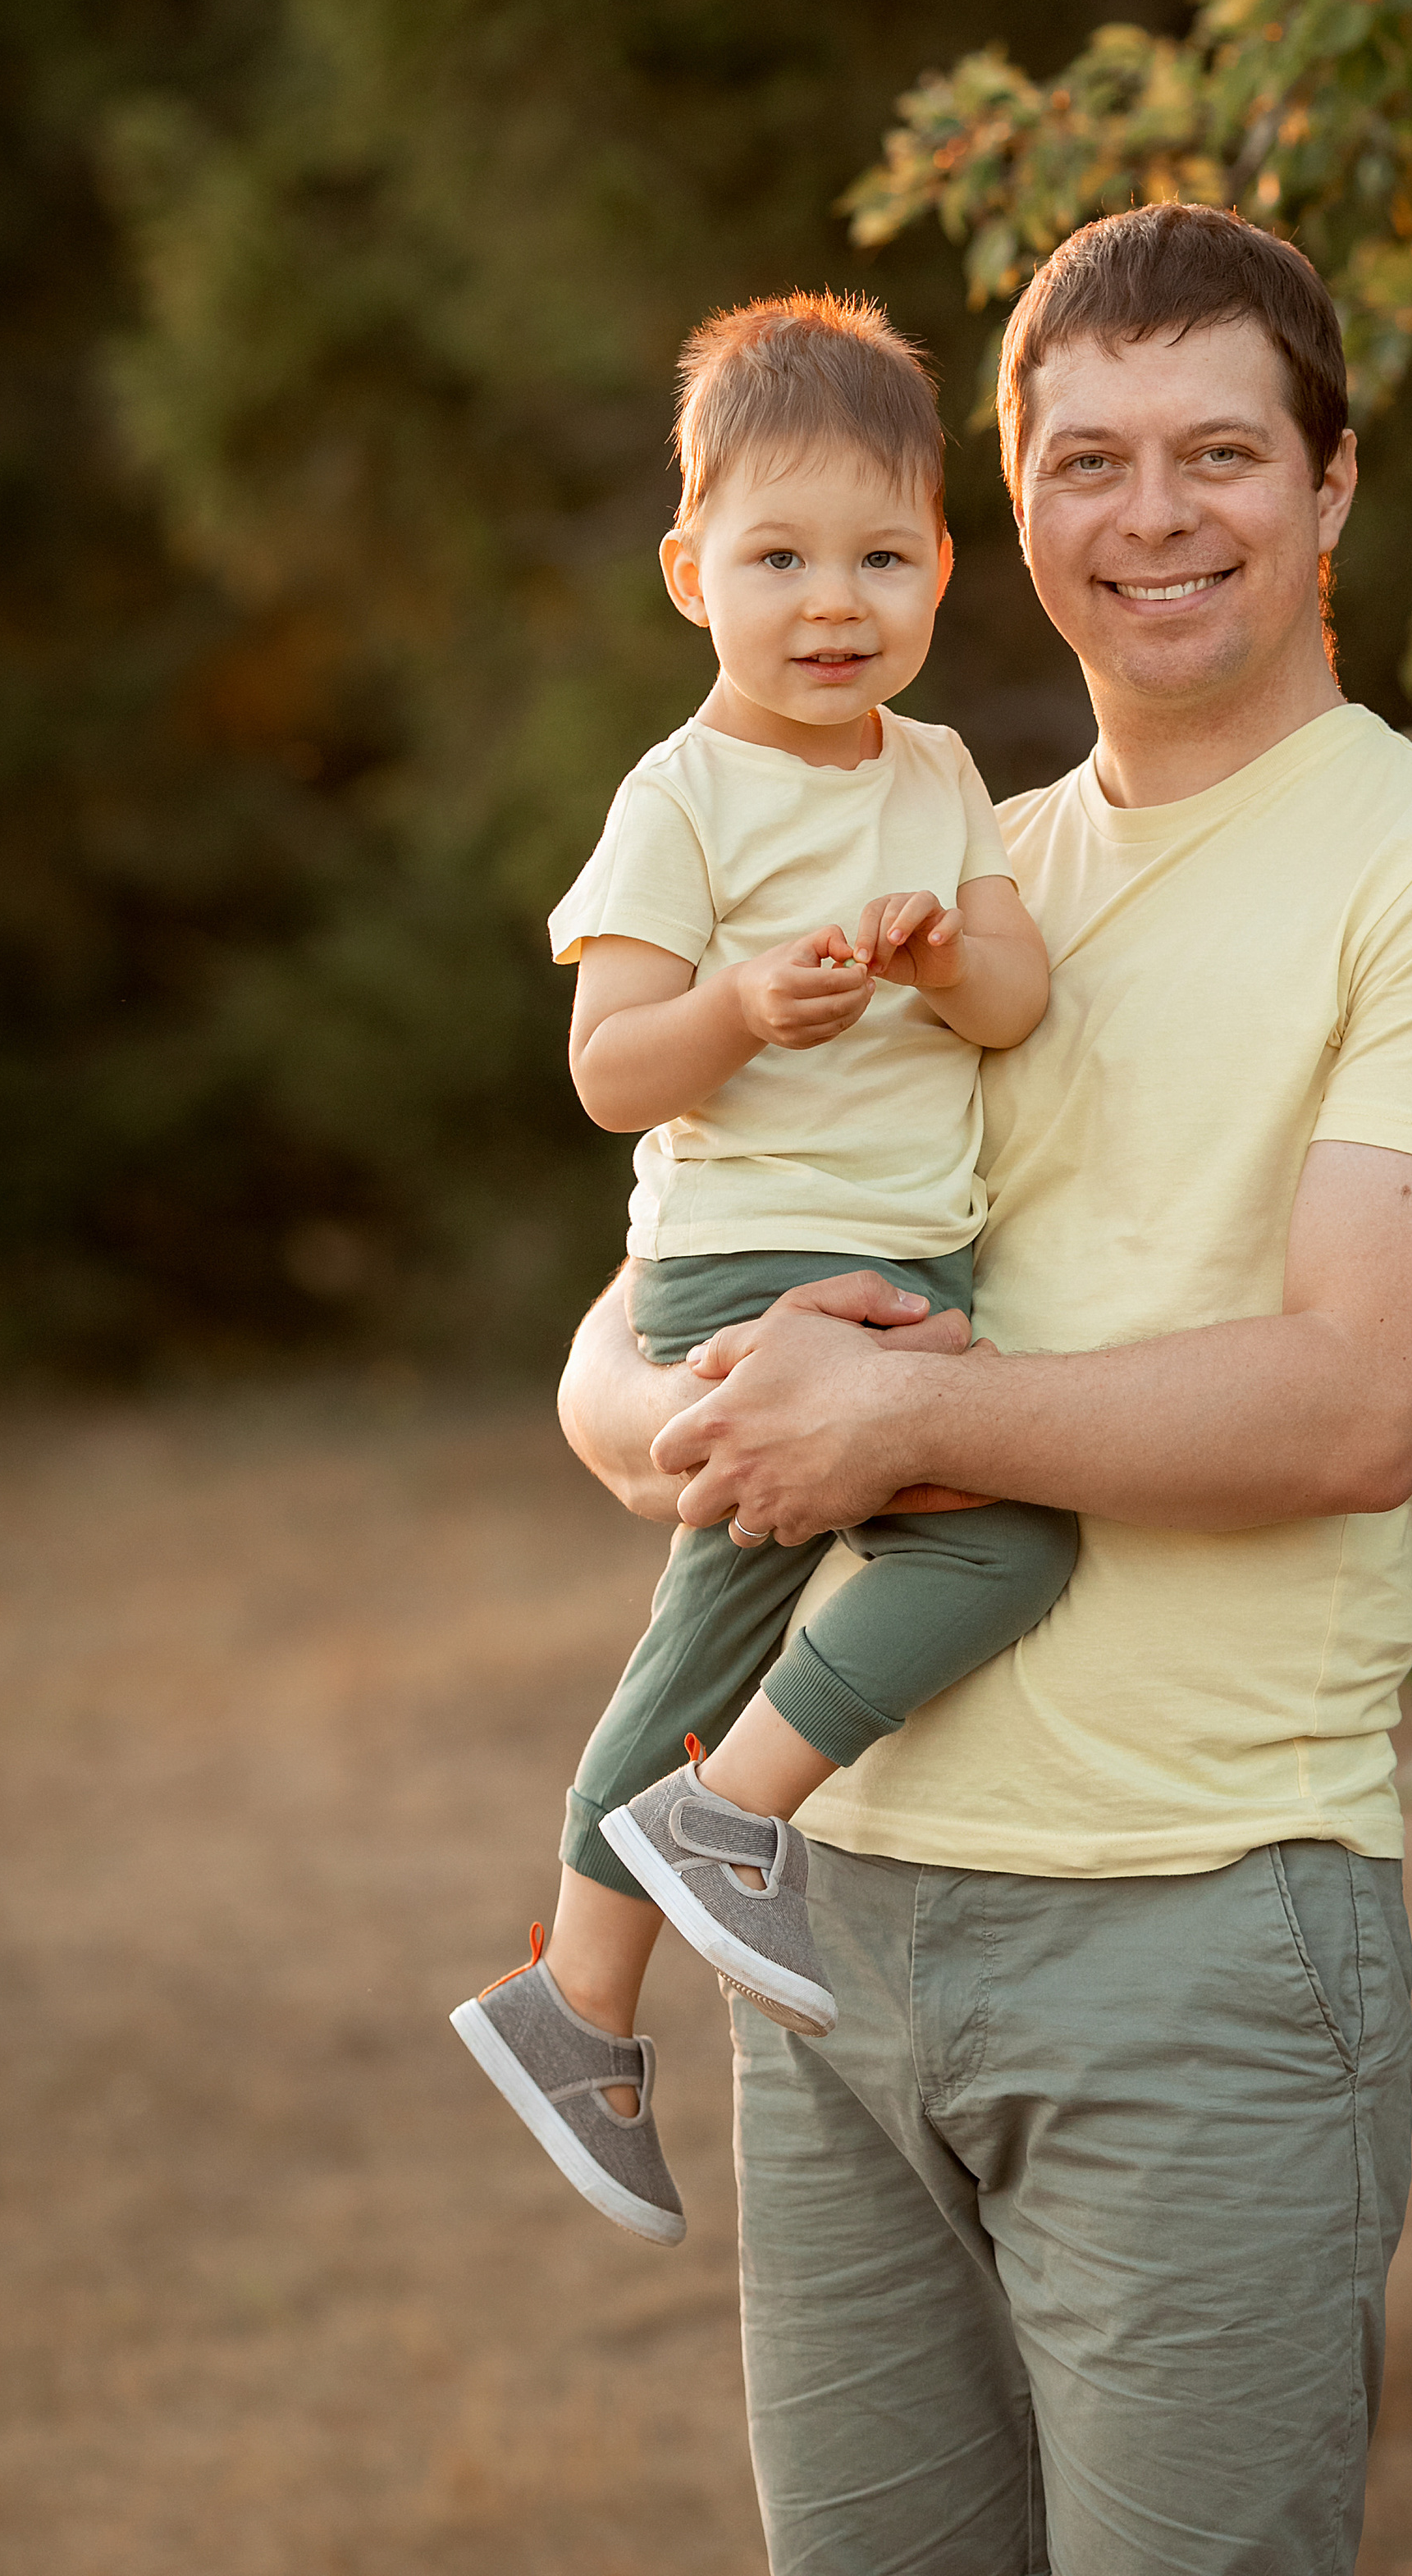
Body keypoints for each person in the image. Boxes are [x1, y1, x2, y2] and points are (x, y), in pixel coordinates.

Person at [559, 204, 1412, 2572]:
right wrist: (680, 1427)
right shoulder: (939, 860)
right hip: (820, 1916)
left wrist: (903, 1430)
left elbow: (1355, 1404)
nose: (1154, 518)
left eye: (1222, 452)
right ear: (1007, 516)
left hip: (1196, 1931)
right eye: (1091, 460)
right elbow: (638, 1323)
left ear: (1333, 486)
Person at [453, 291, 1067, 2249]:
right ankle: (727, 1826)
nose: (834, 601)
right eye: (780, 558)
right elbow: (607, 1069)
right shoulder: (679, 798)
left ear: (942, 570)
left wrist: (939, 949)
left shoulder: (939, 770)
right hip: (749, 1267)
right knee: (1008, 1542)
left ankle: (576, 2001)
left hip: (899, 1252)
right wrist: (737, 1009)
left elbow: (1011, 990)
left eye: (881, 557)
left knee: (709, 1629)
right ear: (686, 569)